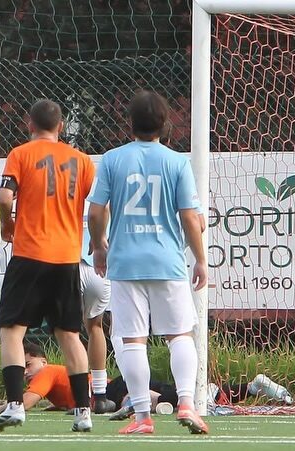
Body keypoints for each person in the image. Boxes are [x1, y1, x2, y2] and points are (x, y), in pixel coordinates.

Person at [87, 90, 209, 435]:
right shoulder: (176, 162)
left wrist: (99, 247)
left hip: (125, 263)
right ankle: (187, 403)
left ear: (129, 123)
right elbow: (192, 218)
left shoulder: (112, 159)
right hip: (167, 262)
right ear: (165, 124)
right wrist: (200, 260)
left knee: (132, 340)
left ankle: (143, 416)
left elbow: (95, 212)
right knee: (180, 334)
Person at [0, 99, 95, 432]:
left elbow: (4, 197)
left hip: (30, 254)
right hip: (67, 258)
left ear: (29, 124)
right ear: (60, 127)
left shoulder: (21, 154)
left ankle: (15, 405)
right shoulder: (82, 161)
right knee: (69, 335)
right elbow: (93, 202)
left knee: (11, 330)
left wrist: (7, 223)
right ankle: (83, 411)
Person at [107, 373, 294, 420]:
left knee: (156, 399)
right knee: (171, 397)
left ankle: (203, 396)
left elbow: (128, 396)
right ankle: (252, 387)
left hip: (125, 388)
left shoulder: (107, 389)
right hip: (137, 383)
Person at [80, 209, 116, 414]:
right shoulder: (104, 193)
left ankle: (81, 397)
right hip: (100, 263)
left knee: (69, 333)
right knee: (96, 327)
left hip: (71, 261)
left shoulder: (64, 190)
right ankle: (100, 396)